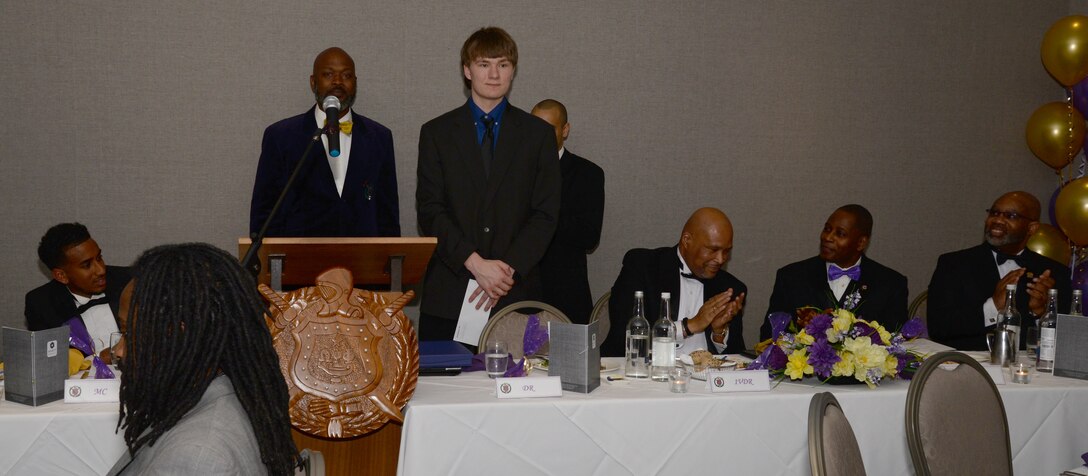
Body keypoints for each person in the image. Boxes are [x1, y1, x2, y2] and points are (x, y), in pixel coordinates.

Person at [415, 27, 561, 340]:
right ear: (467, 71)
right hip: (451, 293)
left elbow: (546, 213)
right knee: (444, 389)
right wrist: (476, 263)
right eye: (484, 64)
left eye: (503, 64)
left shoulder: (538, 135)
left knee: (522, 385)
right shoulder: (436, 133)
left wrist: (506, 269)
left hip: (517, 294)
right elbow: (430, 210)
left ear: (513, 71)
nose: (494, 74)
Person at [106, 243, 297, 475]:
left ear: (178, 333)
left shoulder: (197, 457)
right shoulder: (222, 395)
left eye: (128, 333)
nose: (118, 350)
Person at [250, 47, 400, 237]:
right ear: (313, 82)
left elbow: (388, 216)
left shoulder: (379, 137)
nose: (337, 82)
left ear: (355, 83)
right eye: (328, 74)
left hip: (363, 260)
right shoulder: (280, 136)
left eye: (346, 75)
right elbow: (264, 213)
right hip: (300, 260)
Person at [928, 191, 1071, 350]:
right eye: (994, 213)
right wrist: (993, 307)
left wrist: (1040, 314)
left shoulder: (1054, 273)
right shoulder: (954, 264)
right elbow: (938, 328)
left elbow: (1067, 345)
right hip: (968, 368)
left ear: (1032, 228)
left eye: (1011, 216)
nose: (998, 220)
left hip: (1029, 369)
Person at [603, 208, 747, 357]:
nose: (721, 259)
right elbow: (624, 334)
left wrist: (719, 333)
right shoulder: (643, 267)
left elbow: (737, 357)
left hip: (704, 378)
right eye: (713, 249)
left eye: (726, 251)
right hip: (645, 373)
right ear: (686, 240)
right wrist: (688, 326)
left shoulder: (730, 288)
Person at [759, 205, 908, 340]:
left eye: (840, 234)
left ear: (860, 243)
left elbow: (895, 343)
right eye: (827, 229)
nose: (827, 238)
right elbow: (768, 337)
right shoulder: (791, 277)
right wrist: (803, 329)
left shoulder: (890, 284)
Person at [532, 99, 605, 324]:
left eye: (548, 129)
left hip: (566, 292)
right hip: (521, 292)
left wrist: (541, 217)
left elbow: (588, 236)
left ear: (565, 130)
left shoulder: (587, 174)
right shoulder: (512, 172)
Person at [24, 223, 131, 355]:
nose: (101, 270)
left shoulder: (129, 282)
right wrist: (96, 361)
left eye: (99, 258)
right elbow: (47, 360)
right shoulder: (42, 304)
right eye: (87, 265)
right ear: (61, 275)